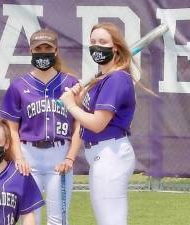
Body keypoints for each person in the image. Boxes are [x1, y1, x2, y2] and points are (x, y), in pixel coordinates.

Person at [0, 28, 82, 225]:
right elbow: (11, 128)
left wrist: (70, 157)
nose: (43, 52)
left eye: (47, 48)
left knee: (59, 218)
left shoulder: (70, 84)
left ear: (56, 51)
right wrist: (18, 158)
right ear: (31, 51)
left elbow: (80, 123)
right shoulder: (18, 86)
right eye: (38, 48)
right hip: (29, 155)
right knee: (29, 217)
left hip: (59, 154)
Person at [60, 22, 137, 225]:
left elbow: (97, 124)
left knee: (111, 221)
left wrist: (70, 106)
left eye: (103, 42)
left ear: (115, 47)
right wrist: (78, 102)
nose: (97, 46)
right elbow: (87, 118)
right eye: (93, 42)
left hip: (111, 153)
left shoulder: (117, 79)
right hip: (103, 154)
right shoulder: (102, 78)